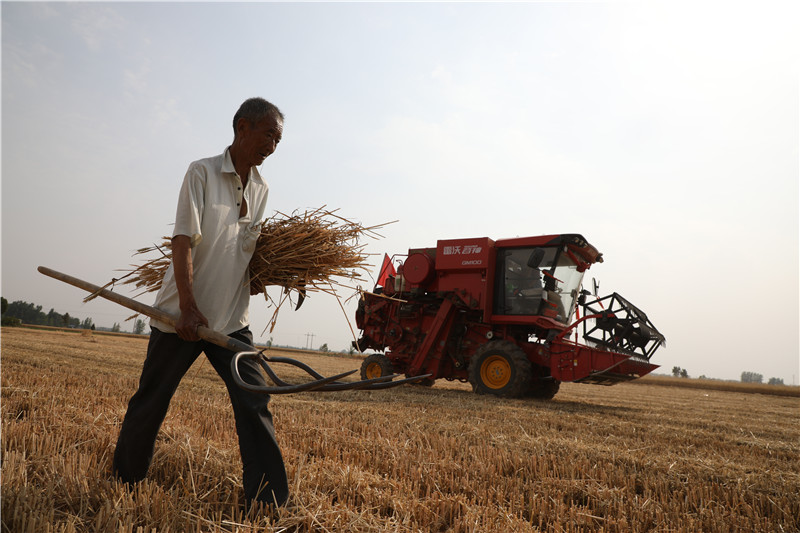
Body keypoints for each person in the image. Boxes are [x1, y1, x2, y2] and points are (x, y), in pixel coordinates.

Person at [112, 97, 289, 508]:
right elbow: (183, 242)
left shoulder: (261, 189)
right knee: (152, 400)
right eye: (269, 135)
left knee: (254, 401)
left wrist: (266, 278)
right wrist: (188, 308)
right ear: (242, 128)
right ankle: (123, 482)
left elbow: (245, 252)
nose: (273, 147)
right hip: (181, 317)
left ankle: (268, 504)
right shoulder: (202, 173)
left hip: (231, 319)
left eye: (278, 140)